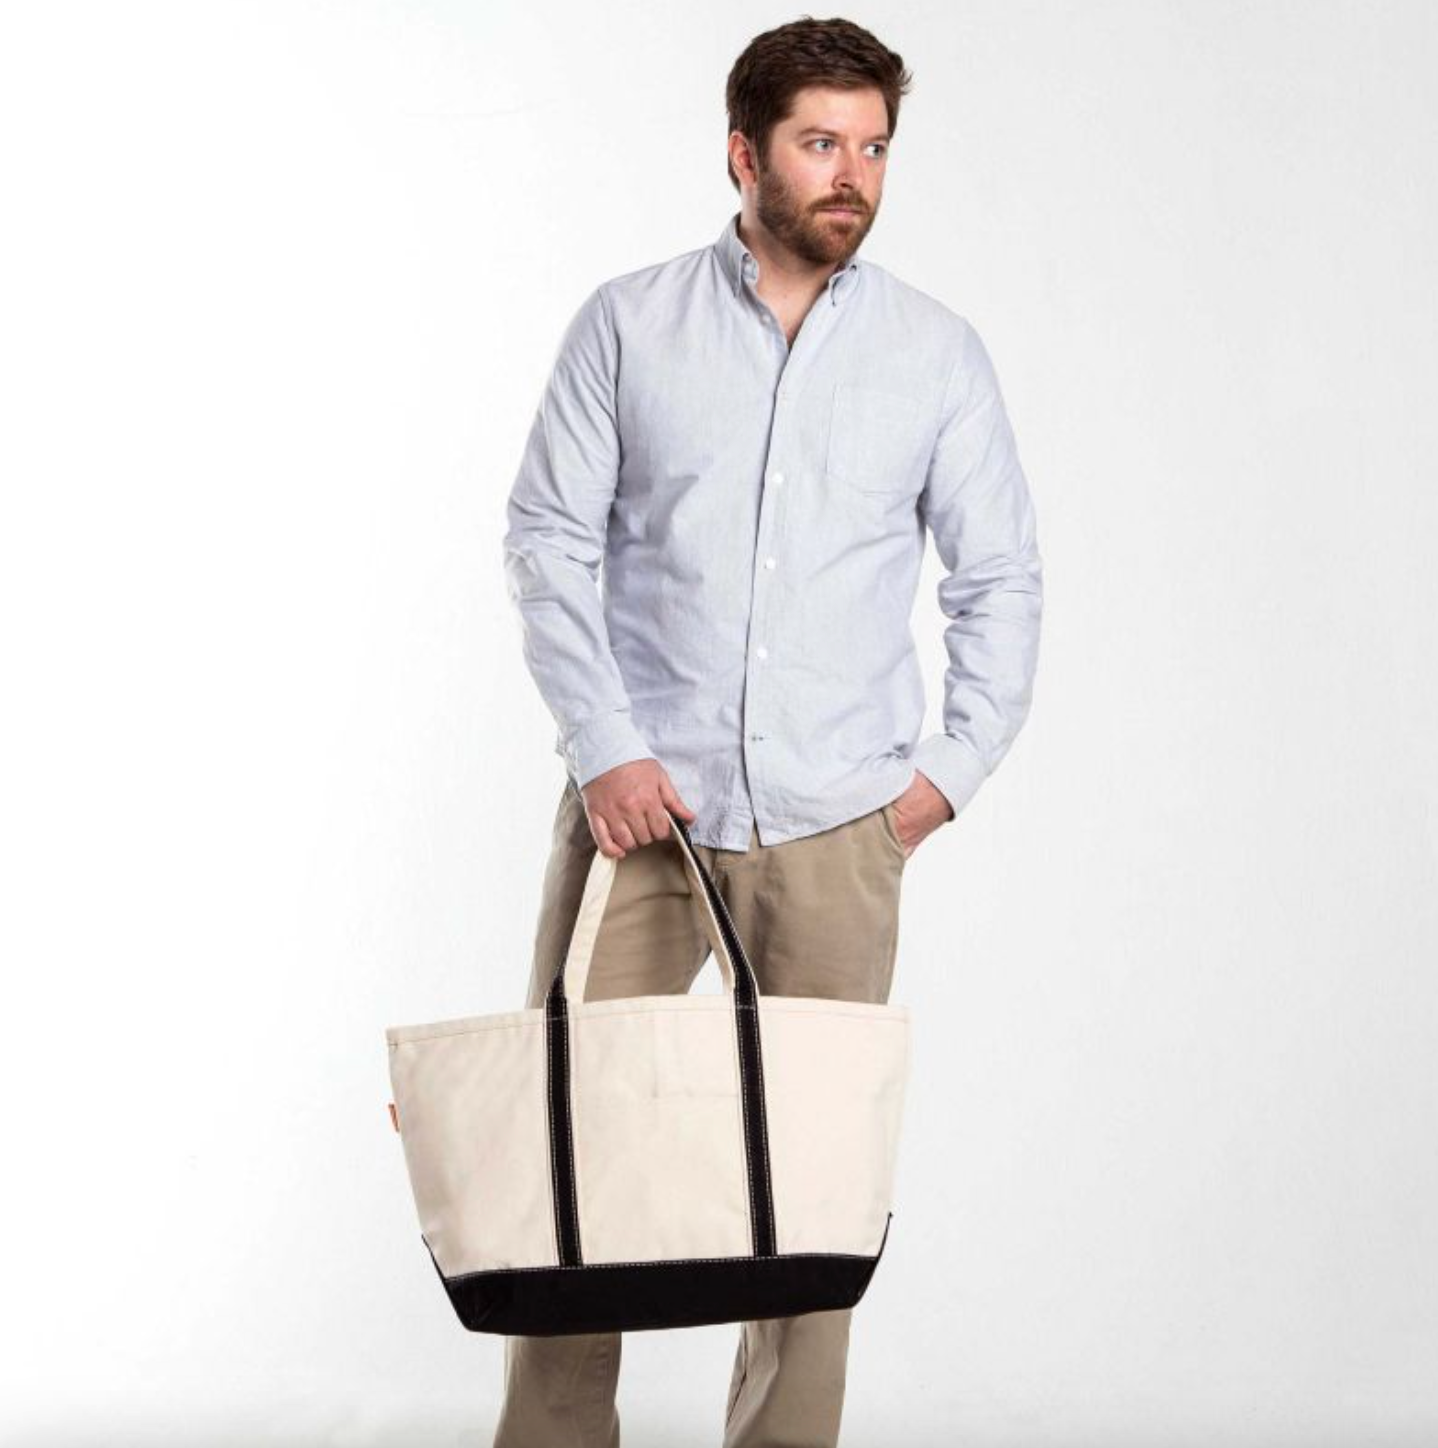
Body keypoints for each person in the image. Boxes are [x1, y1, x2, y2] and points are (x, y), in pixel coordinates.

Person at [496, 15, 1043, 1447]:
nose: (851, 175)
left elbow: (998, 580)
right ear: (744, 155)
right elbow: (548, 539)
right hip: (637, 818)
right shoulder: (629, 324)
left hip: (838, 830)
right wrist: (605, 745)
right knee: (573, 1153)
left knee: (811, 1183)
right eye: (819, 143)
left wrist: (941, 780)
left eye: (873, 148)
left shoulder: (935, 354)